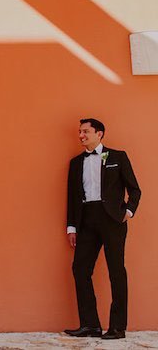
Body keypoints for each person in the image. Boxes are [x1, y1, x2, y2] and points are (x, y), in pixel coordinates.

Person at [64, 118, 141, 340]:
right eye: (79, 132)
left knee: (116, 272)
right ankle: (90, 325)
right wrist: (72, 227)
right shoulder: (76, 162)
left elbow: (135, 190)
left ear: (100, 133)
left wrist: (127, 213)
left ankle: (117, 328)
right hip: (87, 219)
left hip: (112, 220)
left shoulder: (118, 157)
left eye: (85, 131)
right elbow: (72, 197)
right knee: (80, 269)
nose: (81, 135)